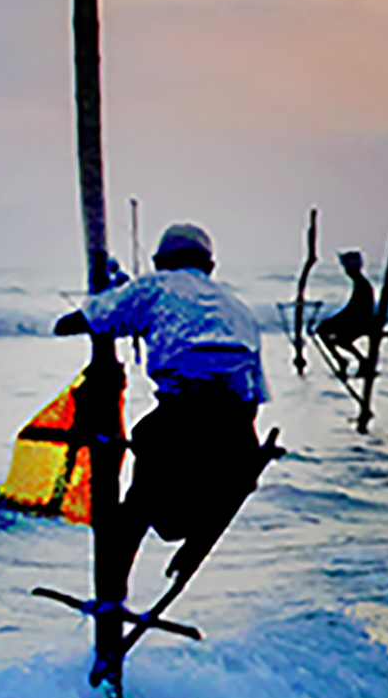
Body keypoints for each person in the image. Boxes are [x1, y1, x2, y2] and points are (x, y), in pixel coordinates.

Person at [68, 223, 271, 582]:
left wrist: (108, 301)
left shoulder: (154, 286)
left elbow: (85, 320)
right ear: (210, 266)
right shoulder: (237, 307)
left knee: (140, 503)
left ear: (160, 261)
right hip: (237, 421)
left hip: (184, 410)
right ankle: (195, 544)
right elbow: (256, 395)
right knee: (234, 479)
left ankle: (112, 591)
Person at [313, 249, 380, 370]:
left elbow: (356, 310)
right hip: (356, 319)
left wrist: (335, 319)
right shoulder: (360, 283)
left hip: (360, 321)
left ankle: (350, 360)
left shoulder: (362, 285)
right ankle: (349, 359)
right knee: (325, 330)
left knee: (325, 331)